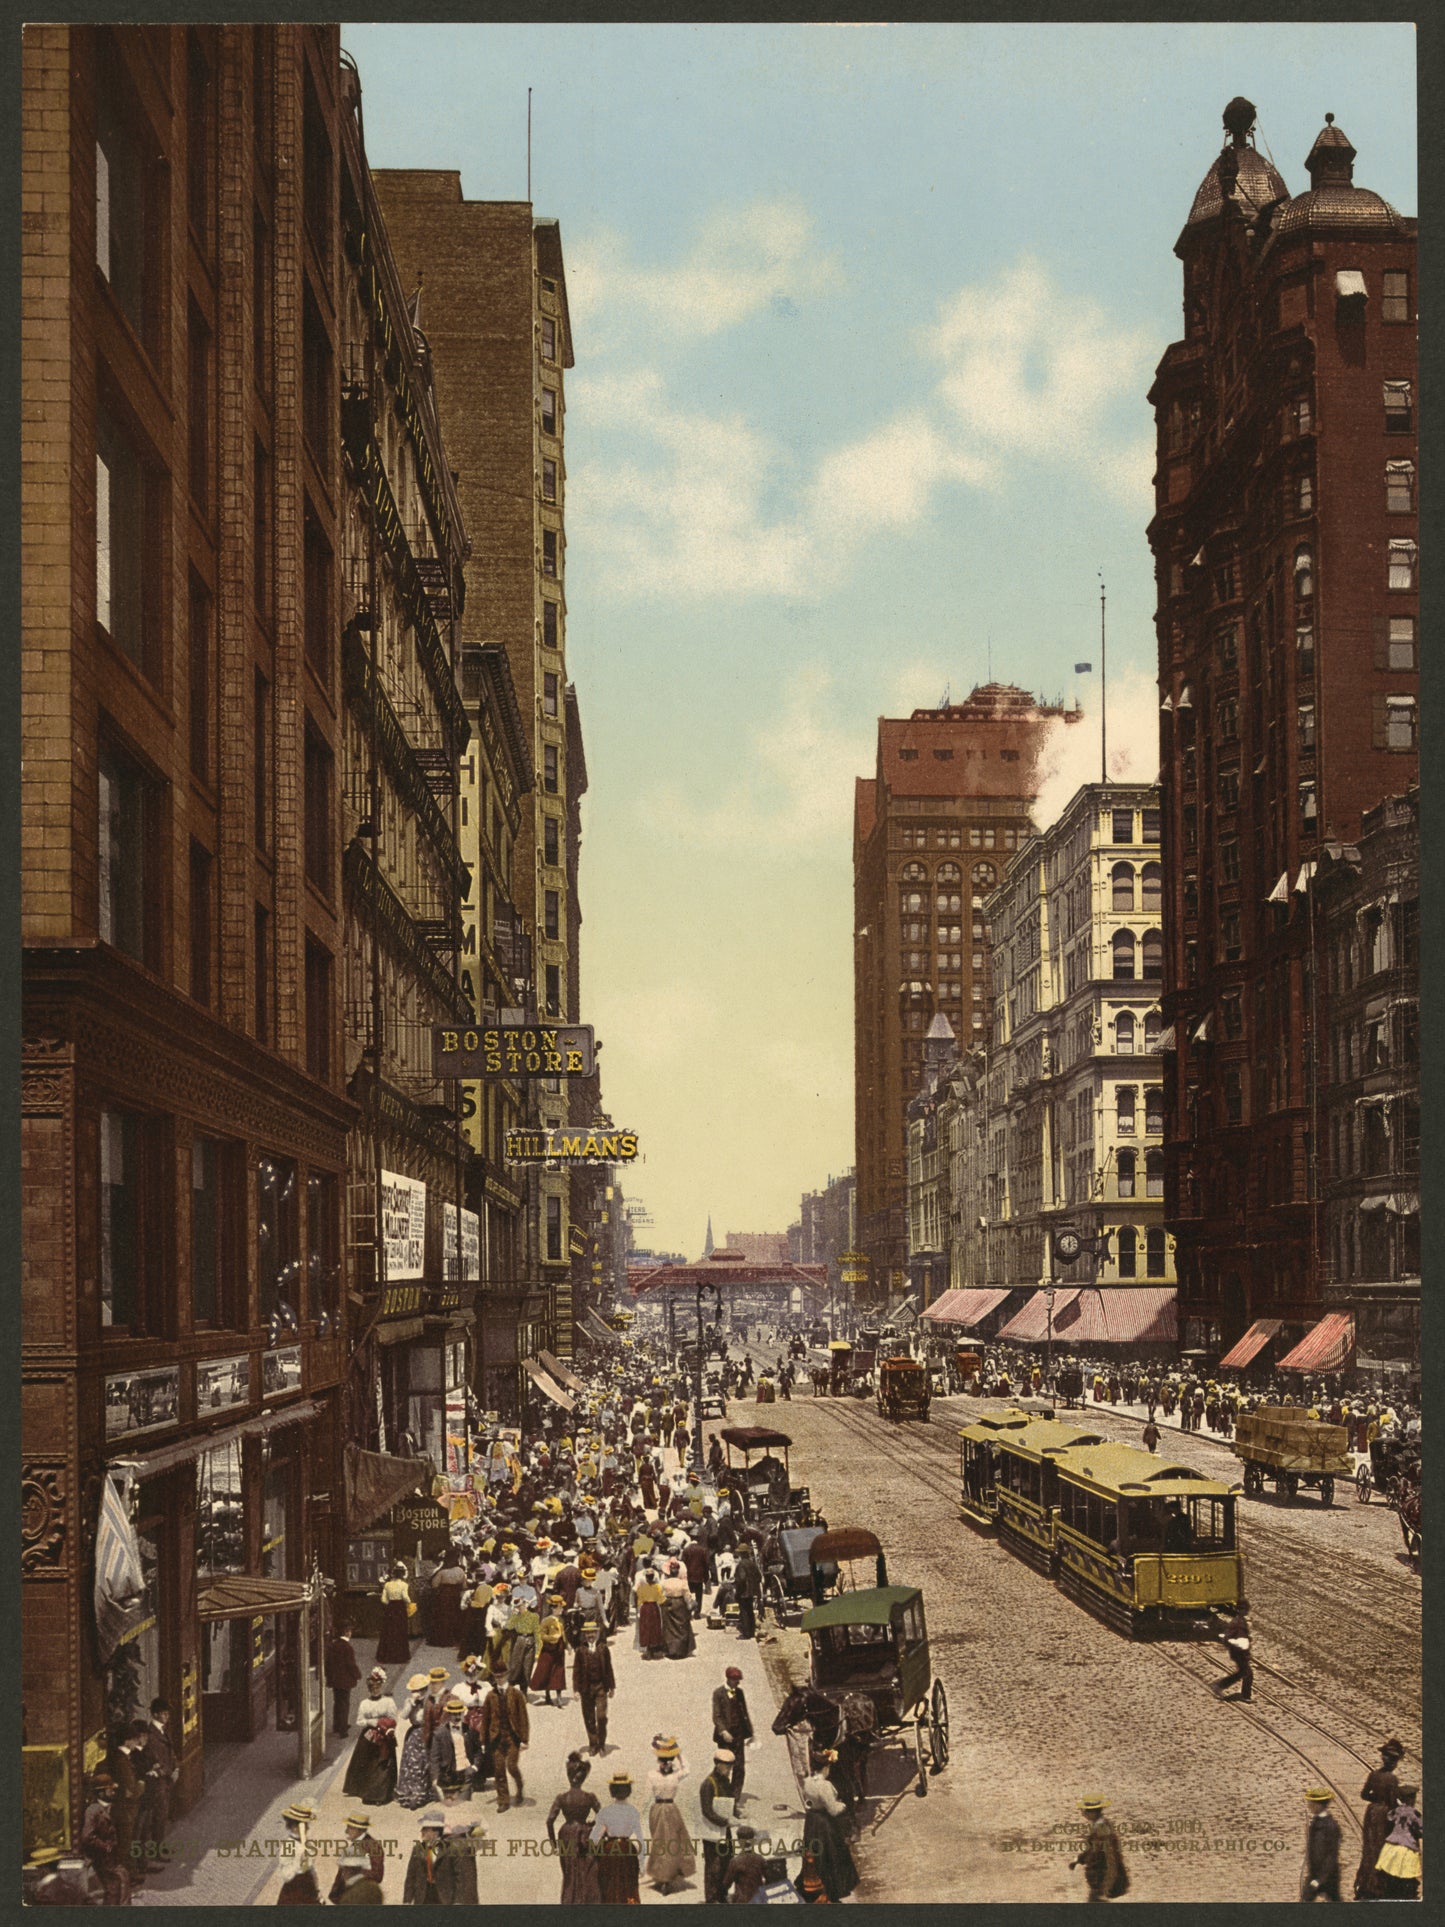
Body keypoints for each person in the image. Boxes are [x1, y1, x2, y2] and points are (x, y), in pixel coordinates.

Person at [801, 1750, 859, 1901]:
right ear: (825, 1768)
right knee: (832, 1856)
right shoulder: (825, 1785)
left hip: (811, 1821)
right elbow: (833, 1810)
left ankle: (814, 1885)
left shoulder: (807, 1782)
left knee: (815, 1856)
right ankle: (834, 1889)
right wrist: (844, 1805)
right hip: (824, 1824)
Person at [1354, 1740, 1405, 1899]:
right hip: (1384, 1816)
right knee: (1383, 1847)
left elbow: (1363, 1795)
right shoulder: (1392, 1779)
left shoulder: (1373, 1774)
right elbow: (1392, 1801)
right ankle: (1379, 1885)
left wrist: (1375, 1799)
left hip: (1371, 1814)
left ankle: (1365, 1883)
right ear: (1393, 1762)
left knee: (1369, 1848)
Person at [646, 1736, 696, 1893]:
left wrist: (678, 1752)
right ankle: (660, 1876)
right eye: (663, 1760)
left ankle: (668, 1876)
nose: (666, 1763)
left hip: (671, 1809)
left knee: (674, 1843)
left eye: (669, 1760)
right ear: (658, 1761)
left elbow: (687, 1768)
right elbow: (646, 1796)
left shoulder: (676, 1775)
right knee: (660, 1843)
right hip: (657, 1809)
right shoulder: (652, 1775)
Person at [343, 1669, 399, 1805]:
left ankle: (381, 1794)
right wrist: (369, 1722)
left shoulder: (388, 1702)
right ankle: (366, 1791)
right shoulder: (364, 1703)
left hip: (384, 1735)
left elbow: (393, 1718)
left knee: (383, 1763)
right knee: (367, 1763)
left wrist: (384, 1724)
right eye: (372, 1688)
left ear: (381, 1686)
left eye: (377, 1687)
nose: (375, 1690)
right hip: (368, 1737)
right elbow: (359, 1721)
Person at [590, 1770, 645, 1905]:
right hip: (628, 1850)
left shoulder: (606, 1812)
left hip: (610, 1851)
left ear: (612, 1790)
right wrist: (642, 1864)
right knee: (629, 1888)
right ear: (628, 1791)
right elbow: (640, 1839)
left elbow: (594, 1839)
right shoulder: (633, 1811)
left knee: (609, 1888)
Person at [136, 1699, 179, 1871]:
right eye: (163, 1713)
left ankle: (159, 1846)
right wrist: (170, 1772)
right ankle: (156, 1851)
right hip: (158, 1783)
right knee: (158, 1817)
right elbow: (156, 1760)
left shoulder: (161, 1731)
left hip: (165, 1780)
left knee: (162, 1815)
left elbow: (170, 1753)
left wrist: (176, 1767)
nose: (166, 1717)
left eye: (168, 1714)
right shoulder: (152, 1735)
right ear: (154, 1714)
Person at [480, 1667, 529, 1812]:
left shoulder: (516, 1694)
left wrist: (525, 1739)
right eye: (496, 1677)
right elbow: (485, 1719)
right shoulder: (490, 1696)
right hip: (496, 1738)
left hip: (512, 1737)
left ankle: (519, 1788)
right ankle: (503, 1800)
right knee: (499, 1770)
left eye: (501, 1676)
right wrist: (483, 1741)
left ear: (507, 1676)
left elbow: (523, 1718)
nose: (499, 1680)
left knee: (512, 1767)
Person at [79, 1772, 131, 1905]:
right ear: (101, 1793)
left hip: (110, 1857)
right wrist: (105, 1847)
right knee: (112, 1889)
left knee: (120, 1882)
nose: (113, 1792)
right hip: (100, 1858)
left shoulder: (108, 1808)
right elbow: (87, 1837)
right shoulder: (93, 1810)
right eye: (110, 1790)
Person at [712, 1665, 755, 1805]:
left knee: (739, 1767)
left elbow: (744, 1713)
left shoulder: (739, 1692)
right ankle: (720, 1795)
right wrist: (723, 1731)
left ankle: (734, 1799)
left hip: (739, 1735)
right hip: (725, 1737)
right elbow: (717, 1715)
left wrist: (750, 1732)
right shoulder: (718, 1693)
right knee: (724, 1767)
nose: (738, 1683)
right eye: (735, 1680)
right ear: (729, 1679)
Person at [699, 1748, 738, 1903]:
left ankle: (722, 1894)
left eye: (730, 1767)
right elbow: (707, 1811)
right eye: (726, 1766)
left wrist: (736, 1814)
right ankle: (712, 1898)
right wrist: (726, 1821)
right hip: (712, 1833)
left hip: (724, 1831)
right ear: (717, 1765)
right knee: (713, 1867)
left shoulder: (725, 1782)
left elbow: (729, 1803)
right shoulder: (708, 1784)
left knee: (727, 1863)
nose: (729, 1770)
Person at [1071, 1797, 1127, 1902]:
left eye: (1086, 1811)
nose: (1084, 1814)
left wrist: (1105, 1888)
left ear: (1094, 1812)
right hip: (1097, 1882)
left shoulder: (1103, 1830)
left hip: (1101, 1882)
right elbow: (1092, 1849)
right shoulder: (1098, 1827)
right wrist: (1079, 1859)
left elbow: (1111, 1860)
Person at [573, 1620, 616, 1755]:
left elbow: (609, 1668)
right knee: (589, 1717)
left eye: (592, 1632)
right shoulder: (580, 1650)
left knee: (601, 1716)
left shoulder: (603, 1648)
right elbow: (576, 1671)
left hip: (600, 1687)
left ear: (597, 1633)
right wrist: (575, 1690)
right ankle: (593, 1744)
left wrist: (612, 1687)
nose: (590, 1635)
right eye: (587, 1633)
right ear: (584, 1635)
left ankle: (602, 1744)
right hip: (586, 1688)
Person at [1373, 1785, 1421, 1900]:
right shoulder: (1414, 1813)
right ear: (1412, 1799)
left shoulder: (1396, 1811)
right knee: (1406, 1875)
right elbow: (1421, 1828)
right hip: (1407, 1848)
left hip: (1391, 1846)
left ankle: (1391, 1891)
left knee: (1391, 1872)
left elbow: (1389, 1818)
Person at [396, 1673, 436, 1809]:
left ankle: (422, 1794)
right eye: (415, 1690)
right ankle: (409, 1793)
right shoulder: (409, 1701)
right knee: (412, 1763)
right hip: (414, 1733)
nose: (418, 1693)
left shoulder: (430, 1701)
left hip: (426, 1732)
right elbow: (403, 1715)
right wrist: (412, 1703)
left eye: (421, 1690)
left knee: (424, 1763)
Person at [402, 1812, 458, 1906]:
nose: (422, 1831)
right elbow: (411, 1876)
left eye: (426, 1829)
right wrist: (407, 1900)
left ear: (435, 1832)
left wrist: (458, 1900)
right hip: (422, 1897)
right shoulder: (418, 1849)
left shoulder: (450, 1849)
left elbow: (458, 1877)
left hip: (444, 1898)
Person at [328, 1813, 387, 1901]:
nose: (346, 1831)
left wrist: (357, 1871)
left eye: (350, 1828)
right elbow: (342, 1871)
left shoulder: (373, 1846)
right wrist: (335, 1894)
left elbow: (378, 1875)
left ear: (359, 1829)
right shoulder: (354, 1845)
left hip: (362, 1897)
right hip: (346, 1897)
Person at [428, 1698, 477, 1803]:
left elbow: (478, 1752)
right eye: (454, 1714)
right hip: (448, 1776)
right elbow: (434, 1758)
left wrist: (474, 1767)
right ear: (449, 1714)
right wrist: (435, 1778)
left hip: (466, 1774)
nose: (457, 1717)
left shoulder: (470, 1731)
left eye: (460, 1713)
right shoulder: (439, 1733)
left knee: (464, 1806)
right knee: (449, 1808)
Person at [275, 1803, 321, 1904]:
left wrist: (318, 1890)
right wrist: (298, 1861)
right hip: (294, 1889)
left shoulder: (307, 1843)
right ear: (295, 1827)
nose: (308, 1828)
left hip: (309, 1886)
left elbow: (311, 1869)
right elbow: (285, 1875)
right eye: (305, 1825)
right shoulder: (289, 1845)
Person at [1302, 1789, 1342, 1901]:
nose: (1309, 1806)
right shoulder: (1316, 1822)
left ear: (1318, 1805)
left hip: (1328, 1876)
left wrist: (1320, 1879)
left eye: (1311, 1803)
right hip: (1315, 1874)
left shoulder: (1331, 1826)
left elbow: (1331, 1856)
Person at [326, 1622, 363, 1738]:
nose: (351, 1633)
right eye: (350, 1631)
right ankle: (343, 1730)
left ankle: (336, 1726)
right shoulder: (348, 1648)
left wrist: (329, 1676)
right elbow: (350, 1664)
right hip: (345, 1680)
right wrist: (358, 1675)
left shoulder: (333, 1645)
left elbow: (328, 1663)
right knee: (345, 1704)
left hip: (335, 1680)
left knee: (337, 1702)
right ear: (346, 1632)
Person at [1211, 1604, 1254, 1703]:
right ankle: (1245, 1695)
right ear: (1239, 1610)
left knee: (1242, 1673)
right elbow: (1227, 1638)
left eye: (1246, 1610)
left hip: (1241, 1652)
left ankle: (1220, 1685)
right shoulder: (1236, 1623)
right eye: (1244, 1610)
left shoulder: (1241, 1621)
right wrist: (1236, 1645)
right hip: (1237, 1652)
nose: (1246, 1612)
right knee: (1248, 1673)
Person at [532, 1595, 569, 1705]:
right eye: (560, 1608)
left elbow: (563, 1634)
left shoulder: (561, 1620)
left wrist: (567, 1645)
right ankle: (547, 1695)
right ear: (554, 1608)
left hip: (559, 1647)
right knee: (547, 1669)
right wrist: (551, 1638)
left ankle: (559, 1696)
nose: (561, 1610)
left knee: (559, 1670)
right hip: (548, 1648)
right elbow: (541, 1634)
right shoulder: (546, 1620)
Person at [377, 1563, 416, 1665]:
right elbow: (405, 1597)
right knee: (400, 1631)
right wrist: (409, 1602)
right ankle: (400, 1656)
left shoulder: (387, 1585)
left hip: (390, 1608)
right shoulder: (404, 1585)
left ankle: (387, 1655)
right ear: (402, 1575)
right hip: (400, 1608)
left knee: (389, 1630)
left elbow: (383, 1600)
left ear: (393, 1574)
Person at [660, 1559, 697, 1659]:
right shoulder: (683, 1583)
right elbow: (687, 1595)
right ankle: (681, 1650)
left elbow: (661, 1594)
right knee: (682, 1627)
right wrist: (690, 1605)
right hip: (680, 1604)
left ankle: (670, 1649)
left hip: (668, 1604)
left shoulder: (664, 1582)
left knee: (669, 1628)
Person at [722, 1824, 768, 1902]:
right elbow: (769, 1878)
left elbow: (726, 1884)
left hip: (742, 1901)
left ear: (739, 1842)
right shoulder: (760, 1859)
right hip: (759, 1900)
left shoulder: (735, 1861)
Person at [635, 1564, 665, 1659]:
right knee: (654, 1628)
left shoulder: (641, 1587)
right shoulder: (657, 1587)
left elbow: (639, 1601)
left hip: (645, 1608)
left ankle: (648, 1649)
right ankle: (653, 1648)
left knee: (645, 1628)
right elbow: (661, 1600)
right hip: (654, 1608)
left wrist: (638, 1612)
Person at [734, 1545, 763, 1641]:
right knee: (750, 1611)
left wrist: (736, 1583)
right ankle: (751, 1631)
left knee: (744, 1612)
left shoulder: (741, 1564)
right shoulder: (752, 1564)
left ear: (741, 1554)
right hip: (752, 1591)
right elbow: (759, 1577)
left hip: (743, 1591)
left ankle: (746, 1633)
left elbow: (741, 1578)